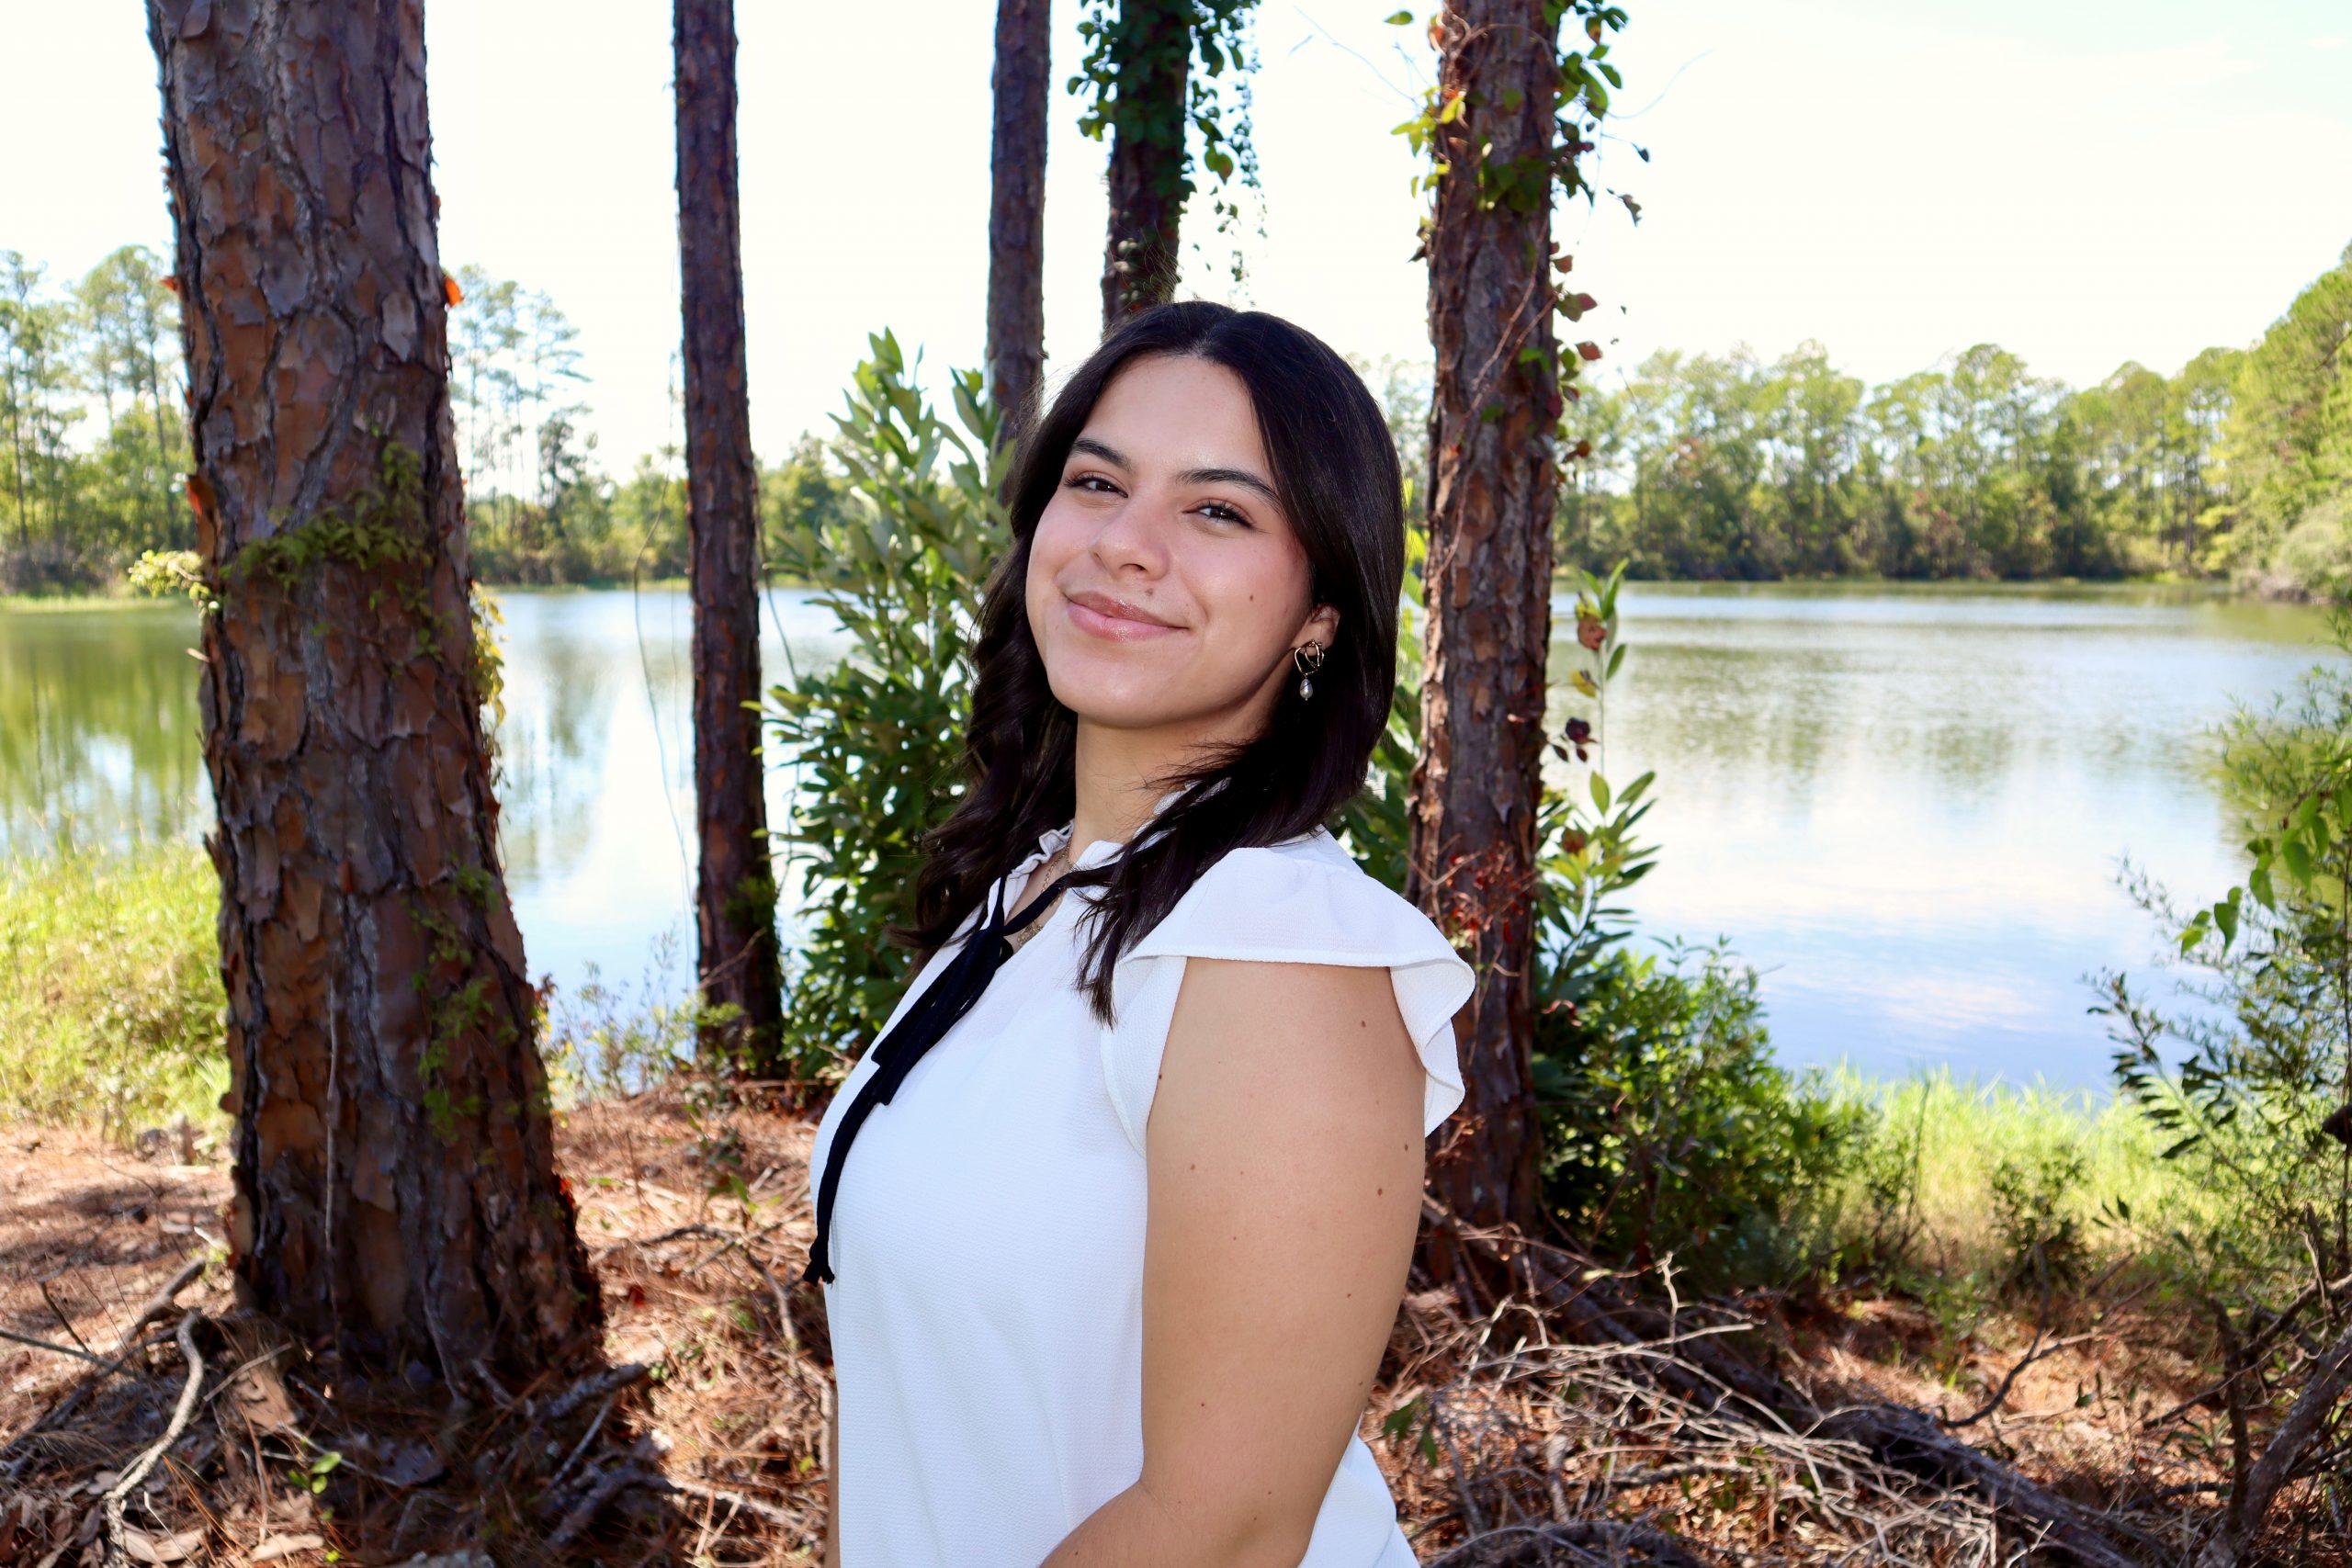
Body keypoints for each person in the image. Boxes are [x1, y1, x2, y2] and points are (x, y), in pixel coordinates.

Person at [805, 299, 1474, 1567]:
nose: (1126, 544)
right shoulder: (1039, 891)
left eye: (1217, 510)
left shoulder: (1284, 955)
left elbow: (1221, 1533)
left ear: (1321, 609)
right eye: (1097, 482)